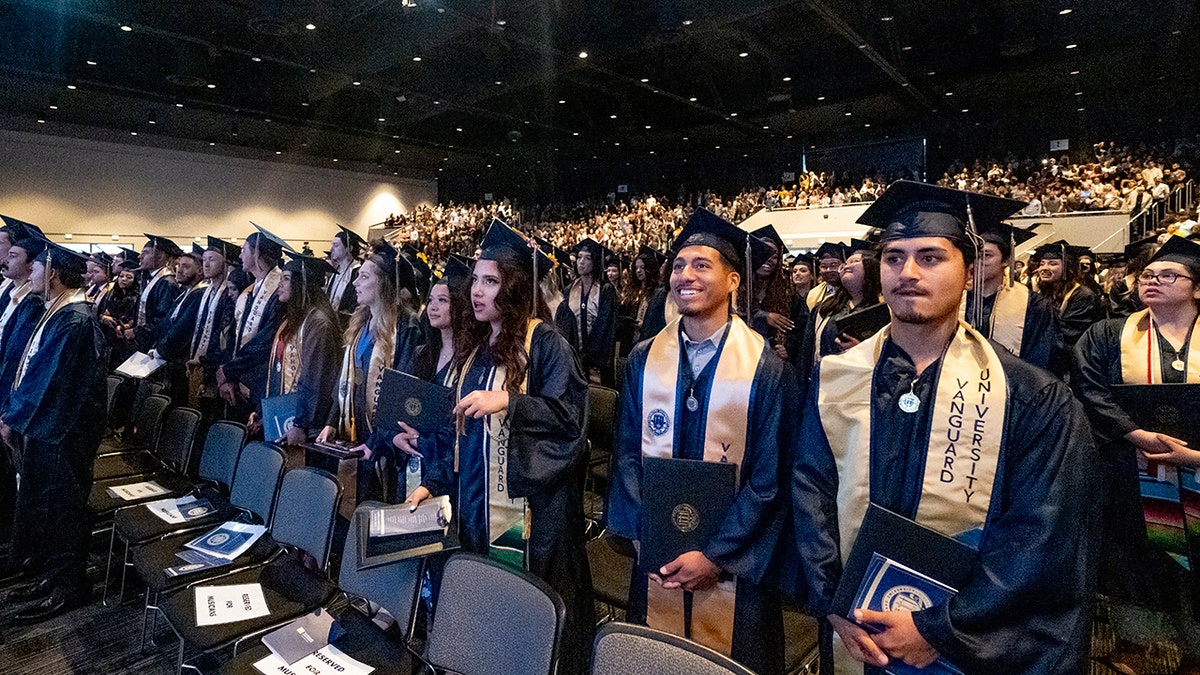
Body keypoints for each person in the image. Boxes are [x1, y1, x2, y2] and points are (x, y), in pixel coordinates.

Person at [791, 181, 1095, 674]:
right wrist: (832, 600)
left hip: (966, 638)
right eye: (894, 258)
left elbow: (1042, 536)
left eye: (930, 257)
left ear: (970, 274)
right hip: (853, 622)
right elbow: (811, 491)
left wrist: (940, 629)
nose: (907, 273)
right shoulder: (836, 378)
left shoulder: (1032, 397)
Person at [607, 209, 794, 674]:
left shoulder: (767, 370)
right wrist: (643, 534)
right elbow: (628, 452)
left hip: (733, 569)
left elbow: (770, 480)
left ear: (734, 281)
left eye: (701, 265)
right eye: (678, 265)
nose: (685, 275)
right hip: (659, 557)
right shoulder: (643, 360)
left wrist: (716, 555)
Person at [409, 219, 594, 674]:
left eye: (490, 281)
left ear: (513, 288)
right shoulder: (477, 349)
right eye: (475, 280)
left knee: (530, 626)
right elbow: (461, 435)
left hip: (531, 517)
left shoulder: (545, 342)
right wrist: (433, 483)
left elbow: (572, 426)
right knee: (488, 615)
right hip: (476, 506)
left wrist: (512, 402)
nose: (476, 291)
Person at [1072, 235, 1200, 672]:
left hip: (1198, 468)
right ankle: (1143, 643)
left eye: (1168, 275)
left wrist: (1196, 457)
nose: (1153, 281)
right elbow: (1089, 388)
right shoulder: (1108, 335)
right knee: (1135, 555)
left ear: (1197, 287)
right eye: (1147, 274)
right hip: (1130, 467)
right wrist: (1134, 433)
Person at [1, 241, 107, 623]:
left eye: (36, 269)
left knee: (65, 508)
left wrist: (13, 417)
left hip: (64, 433)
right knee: (48, 505)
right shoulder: (60, 311)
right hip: (52, 429)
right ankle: (50, 575)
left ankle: (69, 586)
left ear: (55, 274)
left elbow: (49, 380)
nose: (30, 273)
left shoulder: (74, 319)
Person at [316, 241, 422, 503]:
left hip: (385, 442)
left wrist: (377, 442)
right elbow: (346, 382)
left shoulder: (407, 327)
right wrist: (331, 421)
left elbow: (402, 392)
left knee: (378, 504)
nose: (355, 283)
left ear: (384, 283)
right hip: (355, 433)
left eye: (364, 276)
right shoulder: (361, 324)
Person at [389, 255, 474, 506]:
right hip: (414, 461)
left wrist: (420, 441)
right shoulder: (422, 354)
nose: (433, 306)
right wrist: (395, 436)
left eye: (443, 300)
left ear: (460, 306)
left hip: (448, 470)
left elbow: (464, 430)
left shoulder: (471, 361)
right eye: (431, 300)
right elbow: (400, 403)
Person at [258, 252, 341, 449]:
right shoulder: (293, 320)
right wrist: (263, 413)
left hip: (305, 428)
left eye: (286, 279)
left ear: (302, 284)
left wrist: (301, 424)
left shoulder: (319, 324)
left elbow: (316, 378)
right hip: (285, 420)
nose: (280, 284)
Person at [963, 224, 1060, 370]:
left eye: (986, 255)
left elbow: (1041, 362)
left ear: (1006, 260)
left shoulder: (1034, 306)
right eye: (972, 255)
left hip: (1014, 387)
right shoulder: (950, 300)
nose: (976, 262)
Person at [216, 224, 288, 421]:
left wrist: (229, 370)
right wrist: (227, 374)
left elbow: (265, 341)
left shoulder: (279, 293)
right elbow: (233, 334)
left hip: (259, 384)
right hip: (239, 380)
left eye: (243, 250)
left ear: (256, 254)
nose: (240, 256)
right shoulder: (250, 291)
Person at [556, 237, 618, 386]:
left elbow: (606, 328)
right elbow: (565, 327)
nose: (581, 262)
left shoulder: (605, 290)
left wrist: (589, 355)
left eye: (587, 258)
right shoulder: (569, 290)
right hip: (575, 359)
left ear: (595, 262)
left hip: (598, 361)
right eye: (579, 257)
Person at [187, 237, 239, 415]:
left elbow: (223, 334)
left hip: (216, 364)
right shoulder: (206, 292)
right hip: (203, 363)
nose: (206, 264)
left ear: (225, 263)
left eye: (212, 259)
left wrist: (205, 360)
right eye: (204, 260)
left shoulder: (229, 294)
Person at [1033, 240, 1104, 368]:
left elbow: (1068, 335)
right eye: (1042, 263)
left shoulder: (1083, 296)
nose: (1044, 268)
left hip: (1074, 363)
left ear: (1067, 267)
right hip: (1050, 360)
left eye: (1052, 263)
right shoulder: (1044, 292)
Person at [152, 246, 208, 405]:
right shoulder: (186, 292)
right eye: (179, 265)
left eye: (186, 266)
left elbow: (181, 328)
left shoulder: (199, 294)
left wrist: (160, 351)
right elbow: (168, 322)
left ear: (200, 272)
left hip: (181, 359)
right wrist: (155, 347)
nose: (179, 269)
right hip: (170, 357)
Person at [132, 233, 181, 351]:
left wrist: (137, 332)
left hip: (155, 346)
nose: (140, 257)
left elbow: (164, 318)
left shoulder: (167, 283)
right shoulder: (153, 280)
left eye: (146, 253)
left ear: (161, 256)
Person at [100, 261, 140, 370]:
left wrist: (120, 325)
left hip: (127, 342)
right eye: (121, 276)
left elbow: (133, 320)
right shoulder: (112, 295)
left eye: (129, 277)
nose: (124, 279)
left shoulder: (137, 298)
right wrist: (103, 317)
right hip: (110, 340)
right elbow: (103, 312)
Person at [327, 225, 364, 326]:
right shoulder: (336, 272)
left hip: (347, 326)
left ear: (349, 248)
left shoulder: (358, 272)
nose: (331, 249)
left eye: (336, 245)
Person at [806, 242, 846, 310]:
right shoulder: (813, 294)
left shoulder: (853, 291)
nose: (828, 270)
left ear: (844, 266)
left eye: (833, 265)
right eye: (824, 266)